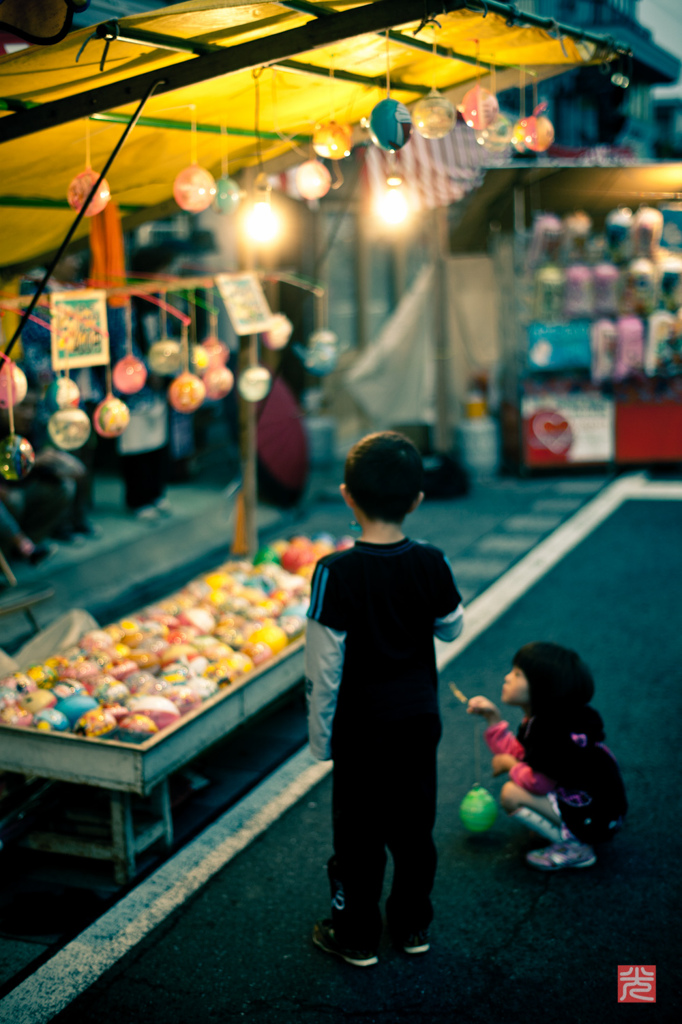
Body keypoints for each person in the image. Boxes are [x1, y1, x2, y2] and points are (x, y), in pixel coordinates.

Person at [305, 431, 464, 967]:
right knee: (415, 828)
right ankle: (413, 925)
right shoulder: (431, 561)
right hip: (418, 719)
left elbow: (323, 666)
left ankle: (355, 934)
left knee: (359, 834)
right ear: (417, 500)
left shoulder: (334, 572)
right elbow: (451, 629)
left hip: (360, 726)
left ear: (348, 495)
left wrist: (319, 739)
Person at [467, 641, 627, 872]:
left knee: (511, 794)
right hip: (599, 810)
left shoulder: (551, 733)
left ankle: (576, 847)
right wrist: (493, 719)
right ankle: (561, 826)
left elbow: (538, 783)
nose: (507, 677)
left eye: (518, 674)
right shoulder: (550, 721)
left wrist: (509, 765)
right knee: (522, 777)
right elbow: (525, 754)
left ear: (543, 689)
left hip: (594, 820)